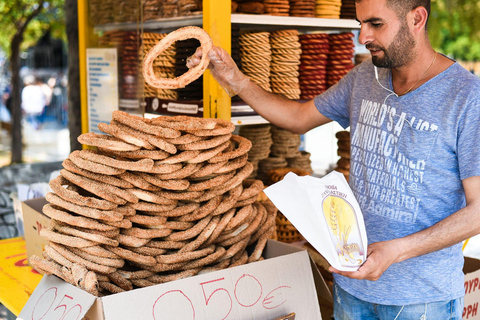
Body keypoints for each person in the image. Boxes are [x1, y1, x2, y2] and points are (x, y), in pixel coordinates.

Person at [187, 0, 480, 318]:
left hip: (421, 299)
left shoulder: (466, 97)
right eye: (360, 24)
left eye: (375, 24)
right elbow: (299, 117)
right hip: (351, 288)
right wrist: (235, 78)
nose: (363, 37)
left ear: (417, 18)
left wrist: (397, 251)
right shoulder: (365, 77)